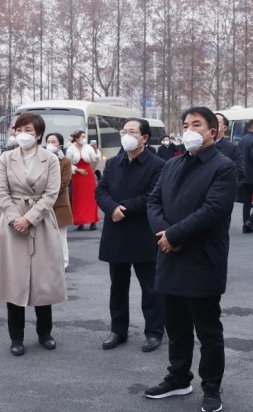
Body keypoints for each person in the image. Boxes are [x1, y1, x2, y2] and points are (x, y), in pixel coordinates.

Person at [145, 107, 237, 412]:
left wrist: (175, 235)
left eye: (196, 125)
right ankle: (178, 377)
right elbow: (154, 201)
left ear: (213, 132)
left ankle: (211, 386)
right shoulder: (172, 165)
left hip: (202, 259)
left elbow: (213, 210)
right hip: (169, 255)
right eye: (185, 125)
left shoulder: (223, 167)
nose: (189, 130)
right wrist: (164, 233)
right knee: (176, 325)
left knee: (208, 330)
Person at [0, 112, 66, 357]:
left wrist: (29, 219)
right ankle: (16, 337)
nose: (23, 135)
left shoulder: (50, 159)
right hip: (12, 226)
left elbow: (51, 194)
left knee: (43, 280)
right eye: (19, 130)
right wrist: (15, 219)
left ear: (38, 134)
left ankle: (45, 332)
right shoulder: (6, 158)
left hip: (41, 223)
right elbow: (0, 193)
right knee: (14, 281)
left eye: (29, 130)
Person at [96, 118, 165, 353]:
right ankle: (118, 330)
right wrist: (111, 207)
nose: (126, 135)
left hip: (143, 232)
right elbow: (101, 190)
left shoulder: (158, 165)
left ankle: (154, 331)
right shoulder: (113, 162)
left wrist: (122, 208)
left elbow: (152, 196)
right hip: (116, 232)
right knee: (118, 286)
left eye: (132, 132)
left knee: (150, 287)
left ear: (144, 138)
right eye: (124, 131)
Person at [45, 133, 73, 270]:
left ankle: (63, 263)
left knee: (60, 236)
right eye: (48, 141)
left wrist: (47, 193)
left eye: (54, 142)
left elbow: (64, 183)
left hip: (59, 203)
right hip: (42, 204)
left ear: (60, 145)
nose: (50, 144)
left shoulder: (65, 161)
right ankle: (46, 264)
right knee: (44, 237)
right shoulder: (41, 159)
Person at [66, 130, 100, 231]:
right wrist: (77, 170)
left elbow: (95, 159)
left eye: (85, 137)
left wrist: (96, 150)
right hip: (77, 175)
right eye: (82, 137)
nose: (84, 139)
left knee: (91, 197)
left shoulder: (88, 148)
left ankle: (93, 221)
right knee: (79, 198)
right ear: (76, 139)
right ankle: (81, 221)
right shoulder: (70, 149)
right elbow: (68, 163)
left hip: (88, 173)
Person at [214, 112, 244, 184]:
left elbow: (239, 172)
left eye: (217, 122)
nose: (213, 124)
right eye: (211, 121)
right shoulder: (202, 146)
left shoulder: (232, 148)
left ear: (224, 128)